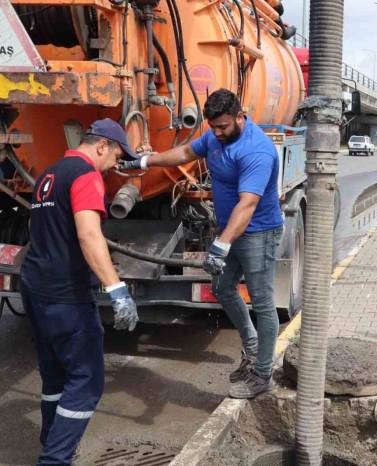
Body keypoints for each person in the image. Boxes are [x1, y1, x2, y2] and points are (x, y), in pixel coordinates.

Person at [120, 89, 283, 399]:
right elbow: (184, 154)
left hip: (258, 233)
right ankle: (251, 349)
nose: (217, 133)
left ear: (239, 117)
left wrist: (221, 246)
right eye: (213, 127)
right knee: (222, 289)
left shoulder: (256, 151)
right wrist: (143, 160)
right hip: (228, 230)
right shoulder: (215, 136)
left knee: (262, 302)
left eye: (223, 127)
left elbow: (248, 204)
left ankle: (263, 374)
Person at [20, 118, 140, 465]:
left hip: (37, 286)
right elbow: (89, 235)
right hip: (65, 294)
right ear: (101, 146)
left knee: (55, 375)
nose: (116, 164)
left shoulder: (49, 173)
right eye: (116, 155)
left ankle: (52, 445)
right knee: (86, 380)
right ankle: (55, 460)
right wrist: (116, 289)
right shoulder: (87, 175)